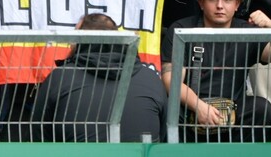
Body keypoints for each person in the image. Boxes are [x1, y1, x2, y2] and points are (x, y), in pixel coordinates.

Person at [161, 0, 271, 139]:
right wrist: (199, 107)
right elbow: (171, 80)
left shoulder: (246, 31)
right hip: (190, 112)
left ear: (237, 4)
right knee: (167, 107)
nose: (220, 6)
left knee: (260, 108)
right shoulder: (182, 29)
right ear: (201, 2)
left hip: (233, 114)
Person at [29, 13, 168, 142]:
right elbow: (165, 134)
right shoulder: (151, 78)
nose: (70, 43)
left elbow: (38, 136)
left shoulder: (60, 77)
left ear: (80, 41)